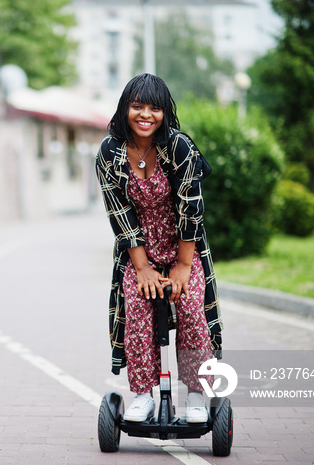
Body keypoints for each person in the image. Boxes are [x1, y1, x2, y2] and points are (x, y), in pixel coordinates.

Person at [95, 73, 222, 424]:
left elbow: (191, 208)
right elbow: (118, 213)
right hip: (139, 253)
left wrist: (183, 266)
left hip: (184, 248)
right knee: (136, 309)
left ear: (165, 112)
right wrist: (142, 268)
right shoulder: (110, 153)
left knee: (192, 309)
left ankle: (197, 395)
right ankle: (143, 395)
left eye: (155, 108)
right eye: (137, 107)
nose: (145, 115)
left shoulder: (179, 147)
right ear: (125, 110)